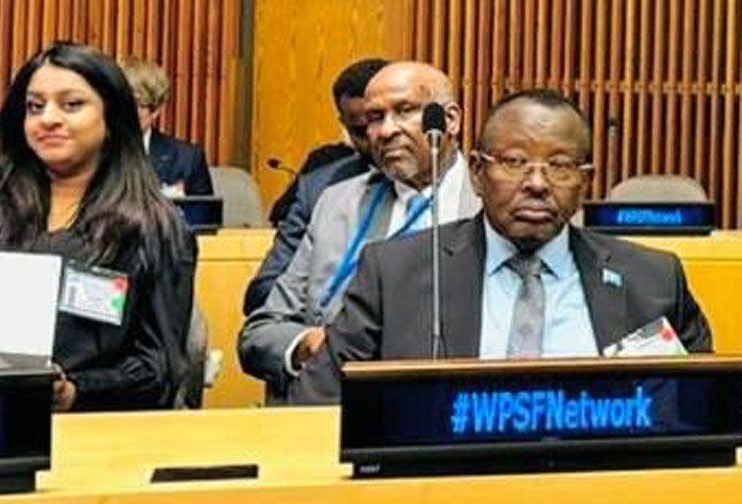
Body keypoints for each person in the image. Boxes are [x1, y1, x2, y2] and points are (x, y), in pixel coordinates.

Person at [287, 89, 712, 405]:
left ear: (587, 181)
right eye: (514, 162)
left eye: (560, 166)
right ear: (476, 172)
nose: (537, 183)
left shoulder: (652, 281)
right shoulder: (396, 273)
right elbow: (318, 407)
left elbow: (702, 414)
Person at [0, 42, 197, 412]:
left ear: (112, 118)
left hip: (77, 431)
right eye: (34, 106)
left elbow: (159, 370)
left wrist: (75, 391)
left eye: (72, 104)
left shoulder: (154, 227)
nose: (48, 118)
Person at [239, 62, 481, 402]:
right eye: (374, 118)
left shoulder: (489, 205)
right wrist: (305, 345)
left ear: (450, 120)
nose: (385, 131)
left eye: (405, 111)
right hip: (337, 404)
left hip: (452, 405)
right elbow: (261, 331)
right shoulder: (338, 204)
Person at [244, 58, 388, 315]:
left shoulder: (454, 188)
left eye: (381, 120)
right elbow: (263, 289)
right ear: (343, 124)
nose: (377, 138)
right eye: (361, 131)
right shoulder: (320, 187)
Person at [121, 57, 213, 197]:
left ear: (156, 110)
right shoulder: (91, 153)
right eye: (121, 101)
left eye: (136, 104)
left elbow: (203, 217)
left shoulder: (187, 160)